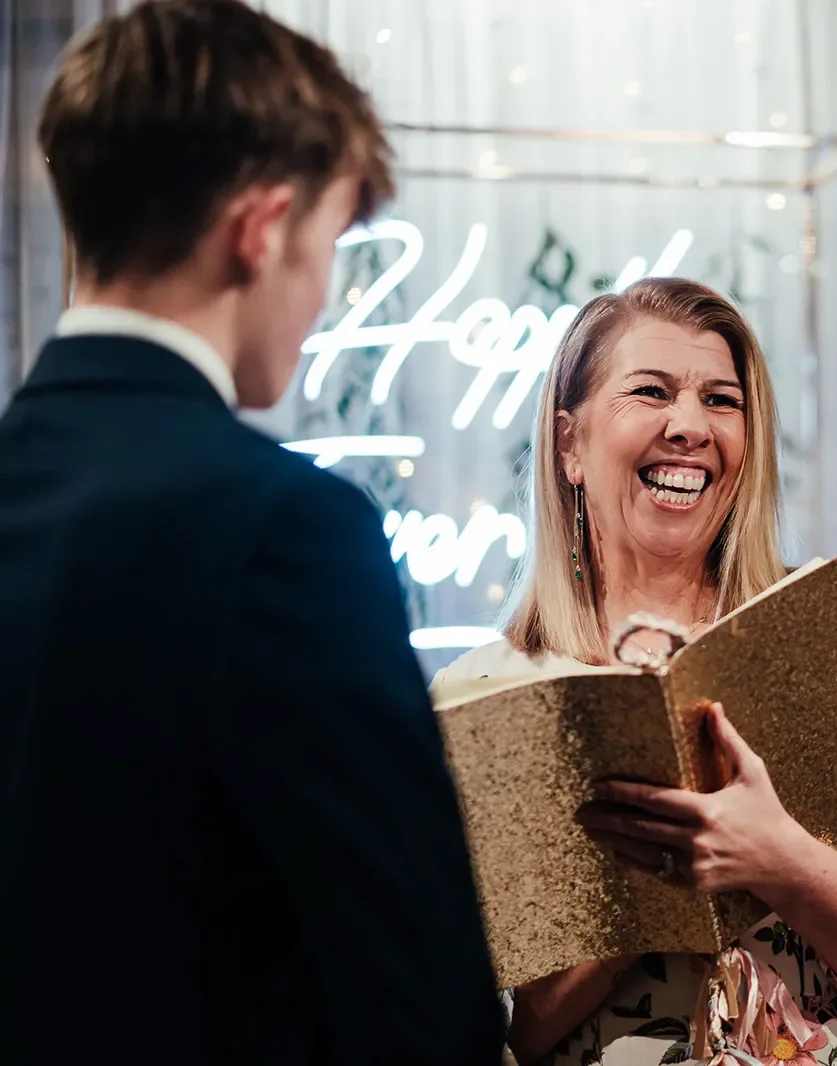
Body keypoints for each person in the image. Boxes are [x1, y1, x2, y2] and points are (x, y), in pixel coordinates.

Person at [0, 3, 504, 1063]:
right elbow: (417, 994)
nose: (322, 298)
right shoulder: (286, 530)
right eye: (327, 245)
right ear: (261, 228)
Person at [433, 277, 837, 1066]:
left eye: (722, 401)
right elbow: (477, 1031)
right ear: (569, 445)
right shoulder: (481, 699)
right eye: (651, 392)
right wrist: (639, 906)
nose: (690, 425)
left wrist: (780, 861)